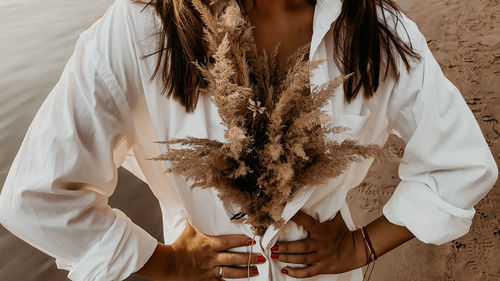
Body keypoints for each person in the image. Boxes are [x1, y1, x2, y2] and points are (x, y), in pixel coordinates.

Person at [0, 0, 497, 280]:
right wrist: (164, 263)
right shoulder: (140, 30)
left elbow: (459, 163)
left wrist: (361, 246)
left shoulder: (375, 31)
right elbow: (38, 194)